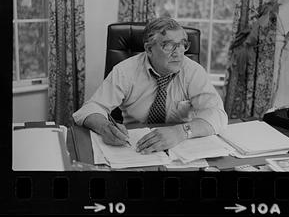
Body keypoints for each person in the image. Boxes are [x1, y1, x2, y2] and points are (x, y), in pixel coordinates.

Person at [73, 17, 228, 154]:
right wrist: (105, 127)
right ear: (149, 49)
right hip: (136, 146)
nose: (178, 53)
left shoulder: (193, 71)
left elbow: (217, 114)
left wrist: (180, 132)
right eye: (169, 45)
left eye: (182, 45)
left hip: (181, 145)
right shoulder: (125, 71)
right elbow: (90, 109)